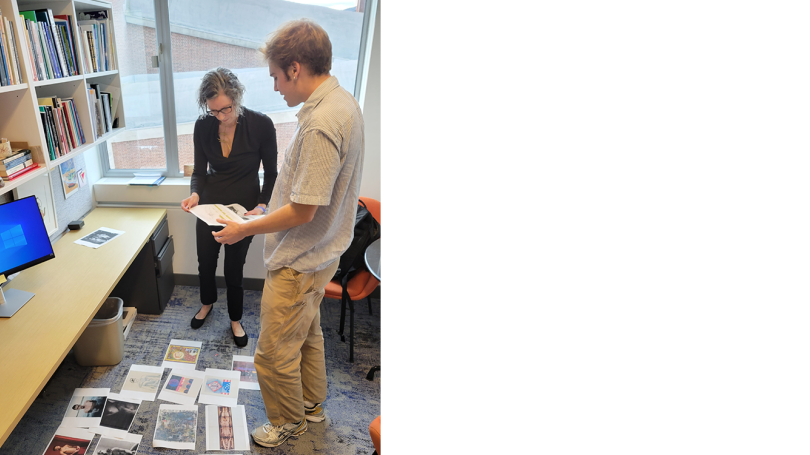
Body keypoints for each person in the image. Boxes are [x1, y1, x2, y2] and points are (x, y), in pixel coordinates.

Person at [212, 19, 365, 448]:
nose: (276, 87)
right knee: (307, 335)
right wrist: (265, 211)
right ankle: (313, 406)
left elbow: (303, 209)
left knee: (273, 353)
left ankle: (288, 421)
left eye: (277, 77)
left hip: (301, 259)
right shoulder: (342, 103)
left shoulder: (320, 123)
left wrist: (245, 227)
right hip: (323, 253)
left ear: (295, 68)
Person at [181, 67, 278, 347]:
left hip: (244, 210)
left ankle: (235, 319)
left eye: (226, 109)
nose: (221, 116)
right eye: (214, 111)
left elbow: (271, 173)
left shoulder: (261, 124)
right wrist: (195, 194)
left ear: (237, 97)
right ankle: (207, 304)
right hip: (209, 206)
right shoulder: (203, 125)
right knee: (206, 263)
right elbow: (199, 171)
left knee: (234, 268)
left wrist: (262, 205)